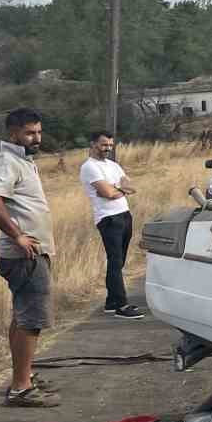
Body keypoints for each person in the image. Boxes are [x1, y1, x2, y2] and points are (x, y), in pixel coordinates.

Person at [0, 108, 60, 407]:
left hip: (30, 254)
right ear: (13, 133)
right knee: (31, 321)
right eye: (29, 133)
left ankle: (21, 379)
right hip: (23, 256)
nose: (36, 138)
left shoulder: (23, 160)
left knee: (22, 318)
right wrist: (17, 236)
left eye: (38, 132)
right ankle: (21, 389)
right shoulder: (8, 161)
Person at [79, 131, 146, 319]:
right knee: (115, 261)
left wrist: (116, 189)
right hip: (108, 218)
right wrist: (116, 190)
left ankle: (111, 301)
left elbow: (130, 186)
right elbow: (106, 193)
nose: (107, 148)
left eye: (110, 145)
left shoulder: (113, 165)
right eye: (103, 145)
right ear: (92, 144)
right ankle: (121, 305)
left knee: (119, 261)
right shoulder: (89, 167)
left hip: (124, 214)